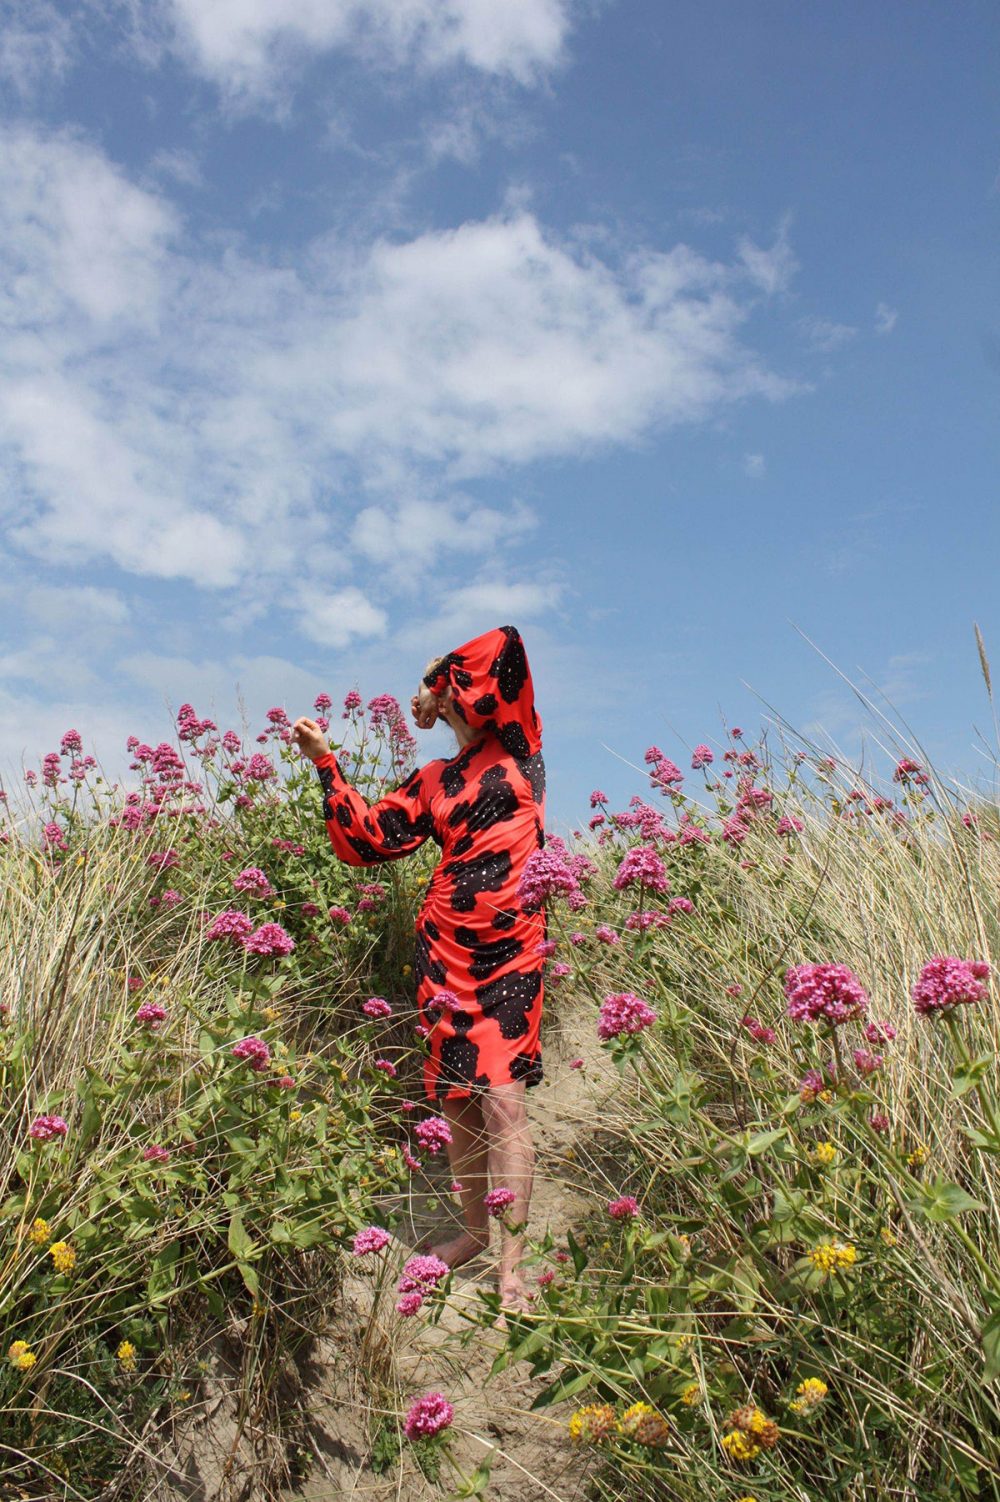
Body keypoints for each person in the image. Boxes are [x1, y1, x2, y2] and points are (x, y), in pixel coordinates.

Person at [291, 624, 546, 1313]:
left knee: (505, 1104)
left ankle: (513, 1269)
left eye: (461, 689)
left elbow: (507, 649)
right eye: (451, 692)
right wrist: (326, 763)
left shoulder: (523, 748)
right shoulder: (435, 778)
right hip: (447, 955)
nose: (461, 699)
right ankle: (473, 1232)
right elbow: (365, 839)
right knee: (461, 1100)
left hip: (513, 950)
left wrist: (438, 670)